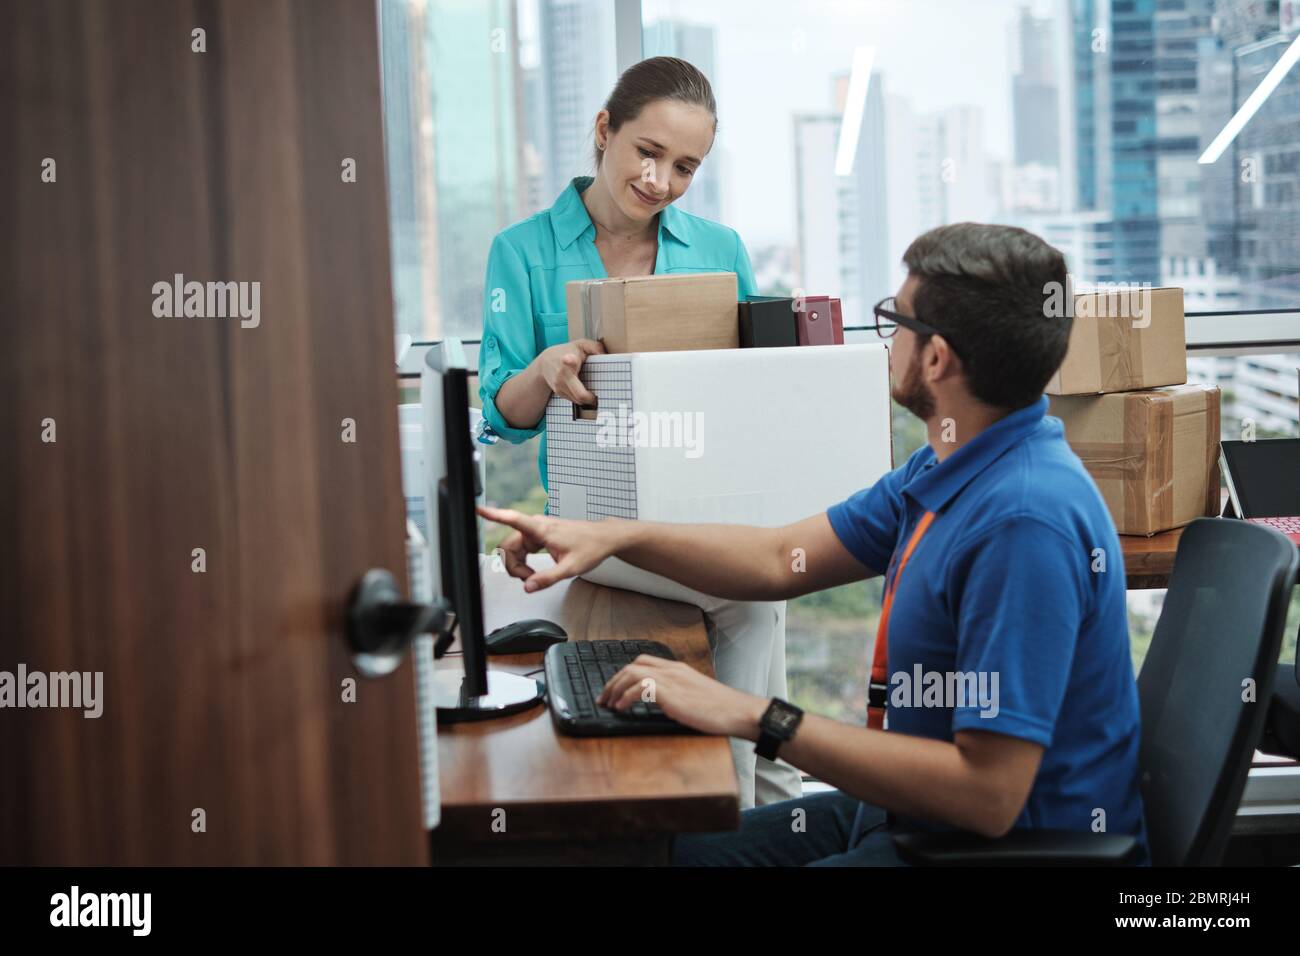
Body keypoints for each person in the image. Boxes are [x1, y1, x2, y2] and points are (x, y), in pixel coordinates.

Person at [479, 223, 1150, 866]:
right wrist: (614, 536)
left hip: (990, 849)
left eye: (897, 321)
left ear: (937, 357)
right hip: (905, 815)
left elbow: (988, 796)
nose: (888, 340)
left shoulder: (1022, 523)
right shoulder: (948, 465)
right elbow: (778, 559)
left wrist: (750, 714)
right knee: (660, 854)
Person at [477, 56, 801, 808]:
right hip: (597, 517)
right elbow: (503, 414)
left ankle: (763, 801)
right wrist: (547, 367)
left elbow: (752, 390)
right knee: (753, 601)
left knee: (768, 579)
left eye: (685, 166)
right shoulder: (520, 252)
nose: (660, 180)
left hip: (703, 498)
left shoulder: (720, 250)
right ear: (604, 131)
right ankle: (750, 810)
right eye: (647, 153)